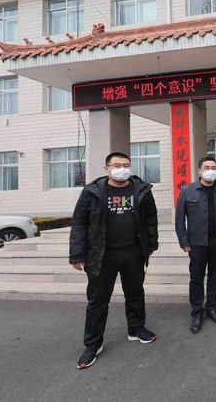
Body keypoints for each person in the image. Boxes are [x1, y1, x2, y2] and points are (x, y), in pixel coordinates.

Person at [69, 152, 159, 370]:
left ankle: (136, 329)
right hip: (101, 255)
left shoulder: (141, 190)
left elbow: (151, 219)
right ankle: (93, 344)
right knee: (97, 300)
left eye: (126, 165)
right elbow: (79, 223)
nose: (122, 169)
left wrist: (150, 245)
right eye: (117, 165)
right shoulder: (92, 191)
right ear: (106, 168)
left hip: (133, 253)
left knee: (135, 293)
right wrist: (77, 254)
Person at [175, 156, 216, 334]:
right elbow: (179, 219)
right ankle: (196, 312)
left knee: (215, 276)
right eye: (206, 168)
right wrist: (183, 241)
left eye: (213, 168)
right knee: (196, 278)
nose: (210, 171)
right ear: (199, 171)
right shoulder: (187, 191)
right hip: (196, 244)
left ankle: (212, 308)